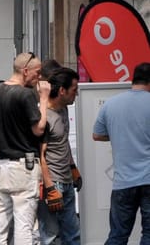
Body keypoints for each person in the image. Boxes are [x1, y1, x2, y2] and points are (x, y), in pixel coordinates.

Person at [0, 52, 50, 245]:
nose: (39, 77)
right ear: (25, 70)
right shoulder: (26, 94)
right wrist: (44, 100)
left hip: (2, 165)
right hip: (24, 165)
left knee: (0, 221)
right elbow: (38, 129)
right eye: (37, 73)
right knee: (24, 223)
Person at [92, 61, 150, 245]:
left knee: (118, 234)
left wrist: (119, 136)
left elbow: (97, 135)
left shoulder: (111, 104)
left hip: (123, 182)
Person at [37, 67, 80, 245]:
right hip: (53, 182)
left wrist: (73, 168)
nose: (76, 95)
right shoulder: (44, 116)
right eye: (74, 90)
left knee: (73, 233)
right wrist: (49, 187)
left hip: (66, 181)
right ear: (62, 91)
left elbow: (64, 142)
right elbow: (40, 154)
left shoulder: (63, 110)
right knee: (51, 235)